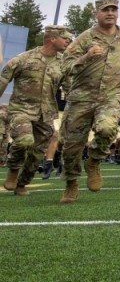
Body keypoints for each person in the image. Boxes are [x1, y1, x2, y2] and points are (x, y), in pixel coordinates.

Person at [58, 0, 120, 203]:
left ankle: (94, 161)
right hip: (81, 98)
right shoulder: (85, 38)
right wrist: (86, 56)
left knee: (107, 129)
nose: (110, 13)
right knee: (71, 146)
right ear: (97, 14)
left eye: (114, 9)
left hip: (111, 95)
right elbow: (65, 66)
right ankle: (71, 183)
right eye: (106, 10)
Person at [2, 26, 70, 196]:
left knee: (37, 152)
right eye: (65, 38)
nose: (68, 41)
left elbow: (70, 87)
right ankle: (13, 169)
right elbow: (3, 79)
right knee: (24, 140)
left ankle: (22, 183)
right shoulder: (24, 59)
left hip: (45, 113)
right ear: (52, 39)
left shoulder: (63, 63)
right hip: (21, 109)